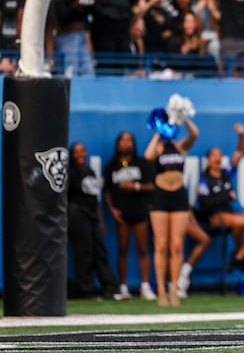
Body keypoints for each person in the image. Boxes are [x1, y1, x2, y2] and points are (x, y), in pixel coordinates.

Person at [144, 119, 198, 306]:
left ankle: (173, 289)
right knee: (161, 245)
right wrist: (158, 131)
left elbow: (194, 134)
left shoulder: (180, 147)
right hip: (160, 196)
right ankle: (160, 289)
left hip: (179, 197)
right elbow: (147, 155)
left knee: (176, 245)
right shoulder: (158, 148)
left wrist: (184, 118)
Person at [196, 123, 244, 273]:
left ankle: (239, 256)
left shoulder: (226, 174)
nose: (218, 158)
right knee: (237, 223)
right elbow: (205, 204)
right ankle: (239, 258)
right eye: (214, 156)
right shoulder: (204, 180)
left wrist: (241, 135)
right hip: (214, 217)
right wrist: (226, 195)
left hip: (230, 214)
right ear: (208, 159)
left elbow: (239, 152)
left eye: (220, 155)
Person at [103, 131, 156, 301]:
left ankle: (145, 286)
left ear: (133, 144)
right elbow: (107, 191)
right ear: (118, 144)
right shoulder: (111, 165)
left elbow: (151, 186)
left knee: (142, 249)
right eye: (122, 140)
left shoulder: (141, 163)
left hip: (139, 210)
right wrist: (112, 209)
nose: (126, 143)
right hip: (122, 213)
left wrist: (135, 187)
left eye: (129, 140)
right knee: (123, 249)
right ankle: (123, 286)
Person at [68, 142, 123, 300]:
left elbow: (95, 199)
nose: (80, 154)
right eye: (77, 151)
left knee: (100, 250)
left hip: (92, 214)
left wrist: (100, 221)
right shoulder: (70, 173)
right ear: (72, 154)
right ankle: (86, 289)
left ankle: (110, 288)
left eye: (83, 150)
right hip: (77, 214)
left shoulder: (90, 171)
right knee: (84, 251)